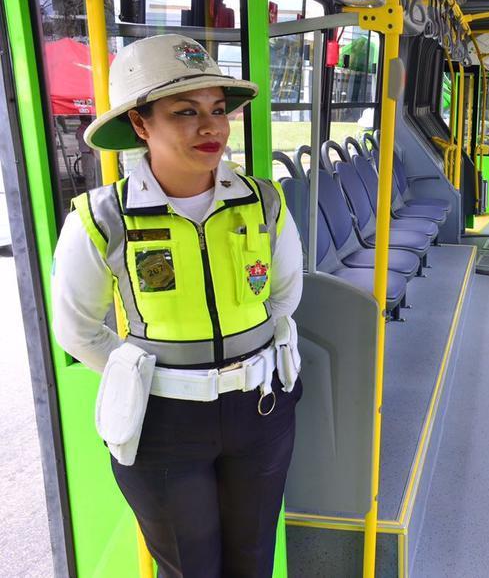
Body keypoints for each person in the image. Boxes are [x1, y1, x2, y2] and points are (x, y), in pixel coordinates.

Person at [51, 34, 304, 577]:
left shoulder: (263, 201)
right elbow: (77, 329)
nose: (210, 127)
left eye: (217, 110)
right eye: (184, 112)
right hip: (162, 423)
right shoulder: (102, 219)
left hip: (260, 408)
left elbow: (284, 295)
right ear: (141, 125)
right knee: (190, 569)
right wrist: (148, 377)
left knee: (254, 559)